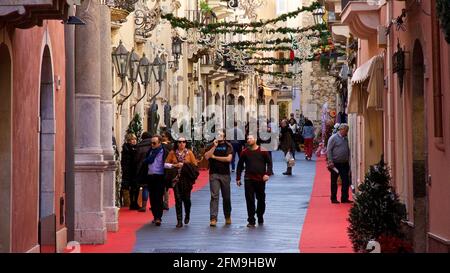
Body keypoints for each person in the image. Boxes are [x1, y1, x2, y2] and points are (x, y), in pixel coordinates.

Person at [236, 134, 273, 227]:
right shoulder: (244, 152)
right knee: (250, 200)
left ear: (255, 140)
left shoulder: (263, 151)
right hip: (248, 179)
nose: (248, 140)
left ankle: (260, 215)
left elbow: (269, 163)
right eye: (247, 138)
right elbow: (240, 165)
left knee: (261, 200)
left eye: (250, 138)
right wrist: (238, 178)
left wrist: (267, 174)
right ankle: (251, 220)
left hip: (260, 179)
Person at [165, 137, 198, 228]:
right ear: (177, 143)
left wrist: (185, 165)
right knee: (178, 199)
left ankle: (187, 214)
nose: (181, 144)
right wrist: (175, 165)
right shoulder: (172, 153)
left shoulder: (189, 153)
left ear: (186, 143)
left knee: (186, 199)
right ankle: (179, 220)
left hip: (186, 180)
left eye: (183, 142)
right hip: (176, 180)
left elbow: (195, 166)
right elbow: (166, 164)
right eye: (179, 142)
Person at [204, 130, 233, 226]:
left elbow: (228, 159)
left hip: (225, 174)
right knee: (214, 196)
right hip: (214, 174)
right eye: (217, 135)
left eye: (221, 135)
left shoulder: (228, 146)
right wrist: (214, 146)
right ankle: (213, 218)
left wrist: (215, 157)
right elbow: (207, 157)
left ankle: (227, 216)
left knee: (226, 197)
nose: (219, 136)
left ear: (224, 137)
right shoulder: (211, 145)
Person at [143, 135, 170, 226]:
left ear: (159, 143)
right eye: (151, 143)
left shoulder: (165, 152)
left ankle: (158, 217)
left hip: (160, 176)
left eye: (154, 143)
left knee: (158, 197)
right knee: (152, 197)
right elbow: (146, 162)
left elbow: (168, 163)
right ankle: (155, 216)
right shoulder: (150, 151)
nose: (152, 144)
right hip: (150, 176)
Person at [326, 124, 352, 204]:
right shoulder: (333, 138)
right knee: (334, 181)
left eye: (347, 130)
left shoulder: (346, 139)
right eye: (346, 130)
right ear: (341, 130)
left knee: (346, 181)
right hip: (335, 164)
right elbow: (329, 150)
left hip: (344, 163)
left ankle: (344, 198)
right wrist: (330, 161)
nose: (347, 132)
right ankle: (333, 198)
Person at [135, 132, 152, 212]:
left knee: (145, 187)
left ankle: (144, 206)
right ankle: (154, 205)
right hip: (152, 168)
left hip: (142, 168)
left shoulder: (139, 146)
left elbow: (137, 158)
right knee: (153, 188)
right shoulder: (153, 145)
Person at [120, 133, 137, 209]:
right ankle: (128, 202)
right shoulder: (127, 148)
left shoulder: (135, 148)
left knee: (134, 187)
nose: (134, 141)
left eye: (135, 139)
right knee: (127, 186)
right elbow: (126, 161)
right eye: (132, 139)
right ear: (129, 141)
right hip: (128, 170)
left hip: (134, 170)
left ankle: (133, 202)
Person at [161, 132, 173, 211]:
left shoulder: (168, 146)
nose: (162, 137)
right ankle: (164, 203)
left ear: (167, 137)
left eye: (163, 136)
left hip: (166, 168)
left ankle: (165, 203)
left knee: (165, 187)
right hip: (164, 167)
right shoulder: (169, 146)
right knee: (164, 187)